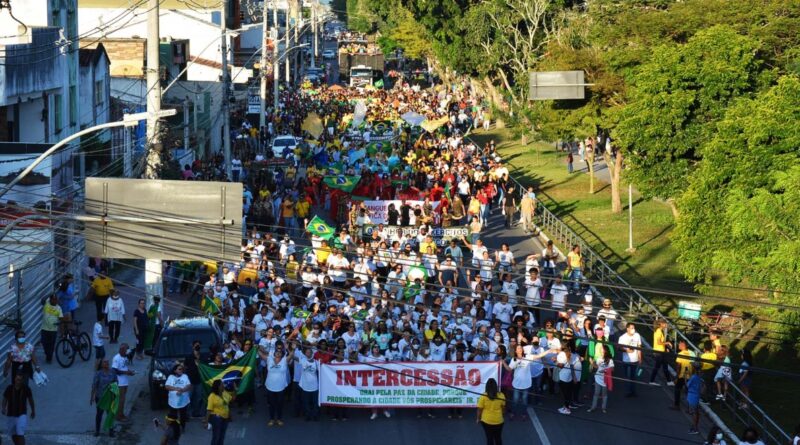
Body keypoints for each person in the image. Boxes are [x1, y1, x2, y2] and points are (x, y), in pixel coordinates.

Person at [2, 374, 35, 445]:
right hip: (10, 414)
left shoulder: (26, 388)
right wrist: (3, 408)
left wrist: (33, 410)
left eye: (20, 380)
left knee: (20, 433)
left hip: (21, 414)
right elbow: (5, 398)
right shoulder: (9, 388)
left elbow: (31, 400)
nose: (18, 381)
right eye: (17, 379)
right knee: (13, 434)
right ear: (15, 379)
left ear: (22, 381)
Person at [90, 358, 117, 437]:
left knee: (110, 414)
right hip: (100, 397)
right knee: (99, 414)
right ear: (101, 364)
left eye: (107, 362)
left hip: (110, 397)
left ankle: (111, 431)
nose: (107, 363)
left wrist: (116, 395)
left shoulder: (113, 372)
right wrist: (92, 397)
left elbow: (116, 383)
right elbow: (94, 385)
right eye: (105, 362)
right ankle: (97, 431)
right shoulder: (98, 373)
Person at [205, 379, 236, 445]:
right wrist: (206, 422)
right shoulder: (212, 396)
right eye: (222, 384)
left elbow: (232, 399)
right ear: (218, 387)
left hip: (225, 417)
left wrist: (234, 390)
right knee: (216, 436)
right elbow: (209, 410)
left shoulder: (224, 393)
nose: (223, 385)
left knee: (222, 435)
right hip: (216, 418)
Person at [476, 378, 505, 445]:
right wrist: (502, 415)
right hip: (499, 420)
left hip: (486, 421)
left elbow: (479, 410)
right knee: (498, 438)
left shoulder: (483, 396)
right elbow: (503, 408)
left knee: (489, 438)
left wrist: (478, 419)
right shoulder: (501, 395)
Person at [587, 344, 614, 413]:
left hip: (605, 379)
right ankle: (593, 407)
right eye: (600, 349)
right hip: (598, 378)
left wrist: (605, 370)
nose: (600, 350)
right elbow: (596, 367)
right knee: (596, 393)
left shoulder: (610, 360)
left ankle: (603, 408)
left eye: (602, 349)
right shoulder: (599, 358)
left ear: (605, 351)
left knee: (604, 395)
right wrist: (591, 363)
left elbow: (612, 369)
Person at [617, 323, 642, 397]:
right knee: (628, 377)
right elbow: (619, 348)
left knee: (634, 376)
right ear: (627, 329)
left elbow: (639, 346)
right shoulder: (622, 337)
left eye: (634, 328)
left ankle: (633, 391)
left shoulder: (637, 335)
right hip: (626, 361)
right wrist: (626, 350)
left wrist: (640, 357)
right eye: (632, 328)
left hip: (635, 360)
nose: (633, 329)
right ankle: (628, 391)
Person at [112, 343, 135, 421]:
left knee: (123, 399)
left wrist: (130, 372)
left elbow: (124, 367)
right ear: (122, 350)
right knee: (121, 400)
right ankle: (119, 416)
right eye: (126, 349)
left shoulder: (125, 358)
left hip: (125, 382)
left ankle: (121, 414)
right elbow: (114, 370)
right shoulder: (116, 358)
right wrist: (126, 372)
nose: (128, 351)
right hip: (119, 383)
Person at [165, 363, 192, 431]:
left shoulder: (185, 376)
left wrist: (182, 390)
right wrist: (176, 388)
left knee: (183, 416)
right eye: (179, 369)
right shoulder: (171, 377)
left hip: (183, 401)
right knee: (173, 416)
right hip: (173, 402)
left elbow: (189, 385)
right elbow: (167, 386)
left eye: (182, 369)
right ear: (175, 370)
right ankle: (173, 428)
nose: (181, 370)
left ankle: (182, 428)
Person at [649, 319, 674, 386]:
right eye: (665, 324)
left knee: (664, 366)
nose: (666, 325)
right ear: (661, 324)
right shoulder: (658, 331)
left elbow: (660, 342)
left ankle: (669, 381)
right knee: (657, 367)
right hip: (659, 352)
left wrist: (665, 348)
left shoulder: (659, 331)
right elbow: (659, 342)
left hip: (661, 351)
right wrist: (668, 343)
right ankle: (652, 381)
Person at [40, 294, 63, 364]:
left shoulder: (59, 308)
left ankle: (49, 358)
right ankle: (47, 353)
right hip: (44, 328)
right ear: (50, 300)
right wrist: (50, 293)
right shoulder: (46, 304)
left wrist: (60, 324)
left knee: (51, 344)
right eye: (53, 299)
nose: (55, 300)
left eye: (56, 299)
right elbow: (42, 299)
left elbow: (61, 318)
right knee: (44, 342)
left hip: (53, 330)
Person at [686, 362, 703, 435]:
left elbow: (687, 385)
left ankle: (695, 428)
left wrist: (686, 377)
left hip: (692, 396)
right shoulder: (699, 376)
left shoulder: (693, 377)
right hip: (696, 395)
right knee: (696, 412)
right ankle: (694, 426)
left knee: (694, 413)